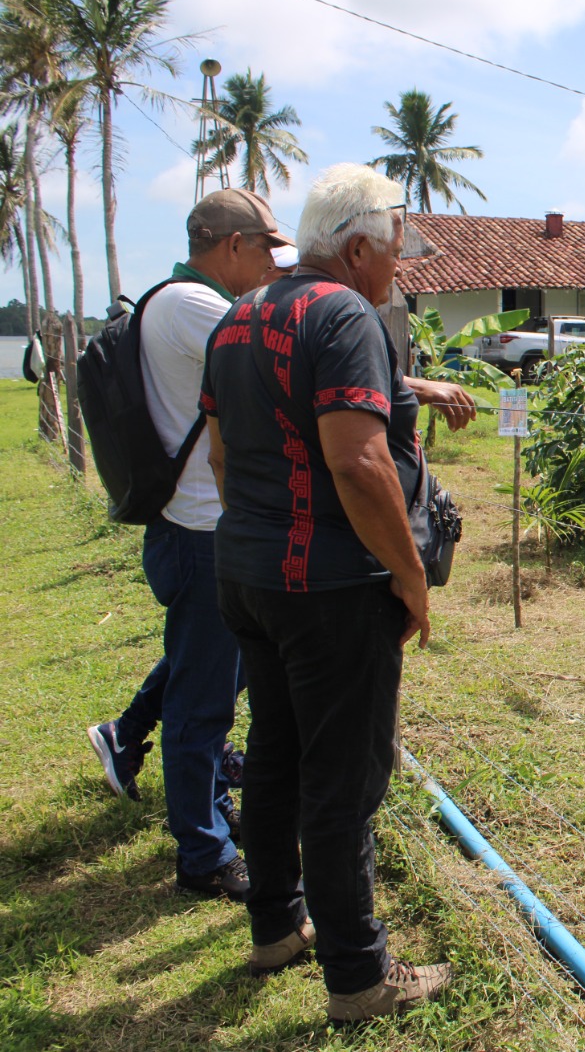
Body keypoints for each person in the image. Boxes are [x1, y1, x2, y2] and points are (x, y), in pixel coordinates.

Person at [202, 163, 454, 1021]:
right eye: (392, 253)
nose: (397, 270)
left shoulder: (240, 318)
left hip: (247, 574)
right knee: (344, 780)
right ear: (355, 249)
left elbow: (223, 459)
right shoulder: (345, 314)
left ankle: (275, 925)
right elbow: (358, 460)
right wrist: (410, 580)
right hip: (329, 588)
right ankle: (359, 977)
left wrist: (265, 538)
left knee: (273, 750)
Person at [85, 189, 292, 902]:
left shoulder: (181, 303)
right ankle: (203, 852)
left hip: (197, 526)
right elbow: (287, 362)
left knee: (205, 670)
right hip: (202, 532)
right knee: (204, 703)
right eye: (269, 248)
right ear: (233, 244)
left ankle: (131, 735)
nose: (273, 265)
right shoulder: (192, 306)